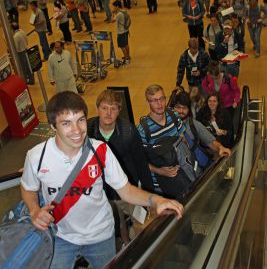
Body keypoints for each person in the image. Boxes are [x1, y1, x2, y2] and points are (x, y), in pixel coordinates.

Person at [20, 91, 184, 269]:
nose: (77, 130)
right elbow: (28, 187)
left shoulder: (101, 151)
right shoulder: (37, 156)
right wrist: (34, 210)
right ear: (53, 126)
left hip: (100, 236)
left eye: (80, 120)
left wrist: (156, 200)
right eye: (66, 123)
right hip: (61, 236)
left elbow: (126, 190)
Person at [87, 89, 154, 244]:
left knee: (139, 223)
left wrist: (148, 197)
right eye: (104, 108)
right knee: (114, 223)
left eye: (113, 108)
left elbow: (141, 165)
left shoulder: (129, 131)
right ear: (97, 109)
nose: (108, 113)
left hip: (126, 188)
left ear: (119, 111)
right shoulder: (88, 129)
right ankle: (123, 242)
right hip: (100, 191)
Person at [137, 85, 189, 199]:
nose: (160, 104)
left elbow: (183, 139)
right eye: (155, 100)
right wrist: (160, 171)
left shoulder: (174, 115)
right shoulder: (143, 130)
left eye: (162, 99)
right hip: (160, 186)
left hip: (182, 175)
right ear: (147, 102)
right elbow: (140, 162)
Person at [173, 91, 231, 157]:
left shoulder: (194, 124)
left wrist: (220, 148)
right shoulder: (167, 122)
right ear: (174, 108)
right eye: (178, 107)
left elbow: (211, 141)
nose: (181, 111)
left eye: (184, 108)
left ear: (188, 109)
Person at [112, 0, 131, 64]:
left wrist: (113, 13)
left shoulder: (119, 14)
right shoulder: (124, 11)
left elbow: (113, 20)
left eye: (114, 6)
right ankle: (128, 56)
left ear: (117, 6)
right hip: (126, 31)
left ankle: (126, 59)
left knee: (122, 46)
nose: (113, 8)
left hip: (121, 32)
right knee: (126, 44)